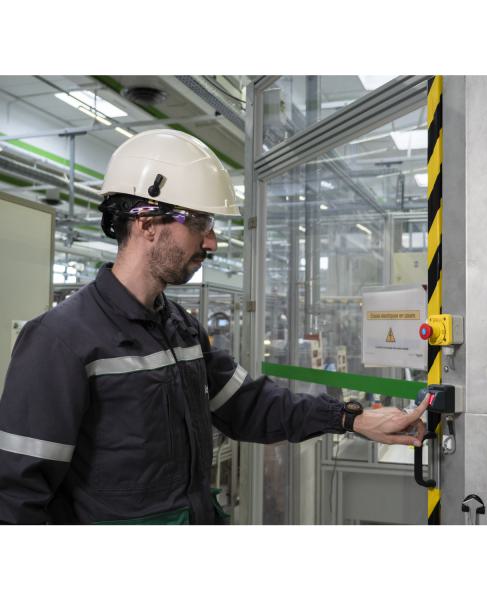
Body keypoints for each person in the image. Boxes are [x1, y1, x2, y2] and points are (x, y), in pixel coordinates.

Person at [0, 129, 427, 524]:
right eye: (199, 223)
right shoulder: (59, 340)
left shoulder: (180, 329)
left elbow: (250, 406)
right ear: (146, 223)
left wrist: (351, 419)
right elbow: (17, 496)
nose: (212, 242)